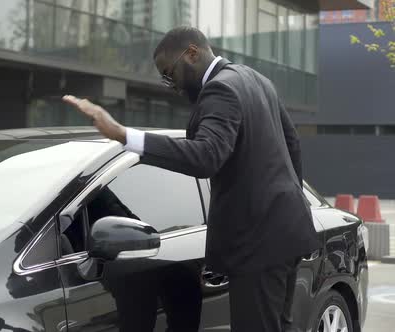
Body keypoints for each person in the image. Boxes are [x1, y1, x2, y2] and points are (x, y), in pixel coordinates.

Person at [62, 27, 322, 332]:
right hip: (286, 234)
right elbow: (292, 144)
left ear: (192, 54)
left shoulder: (220, 89)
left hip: (257, 244)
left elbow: (206, 155)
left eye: (169, 74)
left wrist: (122, 134)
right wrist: (288, 205)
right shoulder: (256, 79)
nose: (170, 85)